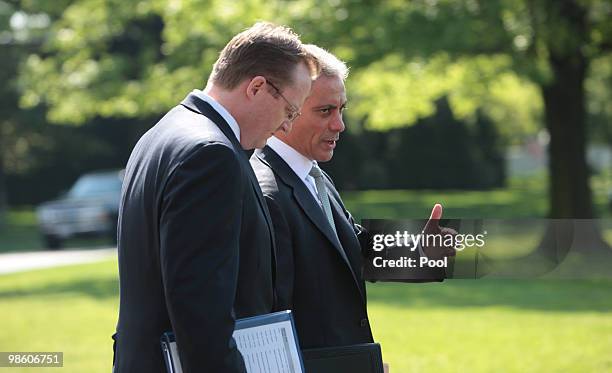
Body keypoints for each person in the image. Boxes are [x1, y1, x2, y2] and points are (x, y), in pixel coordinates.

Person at [112, 22, 318, 373]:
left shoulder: (162, 133)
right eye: (290, 111)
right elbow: (200, 313)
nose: (287, 126)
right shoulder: (211, 154)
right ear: (257, 87)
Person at [250, 45, 453, 352]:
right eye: (325, 111)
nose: (339, 124)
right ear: (287, 110)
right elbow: (267, 319)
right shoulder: (264, 191)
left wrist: (422, 252)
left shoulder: (313, 176)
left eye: (341, 109)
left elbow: (349, 254)